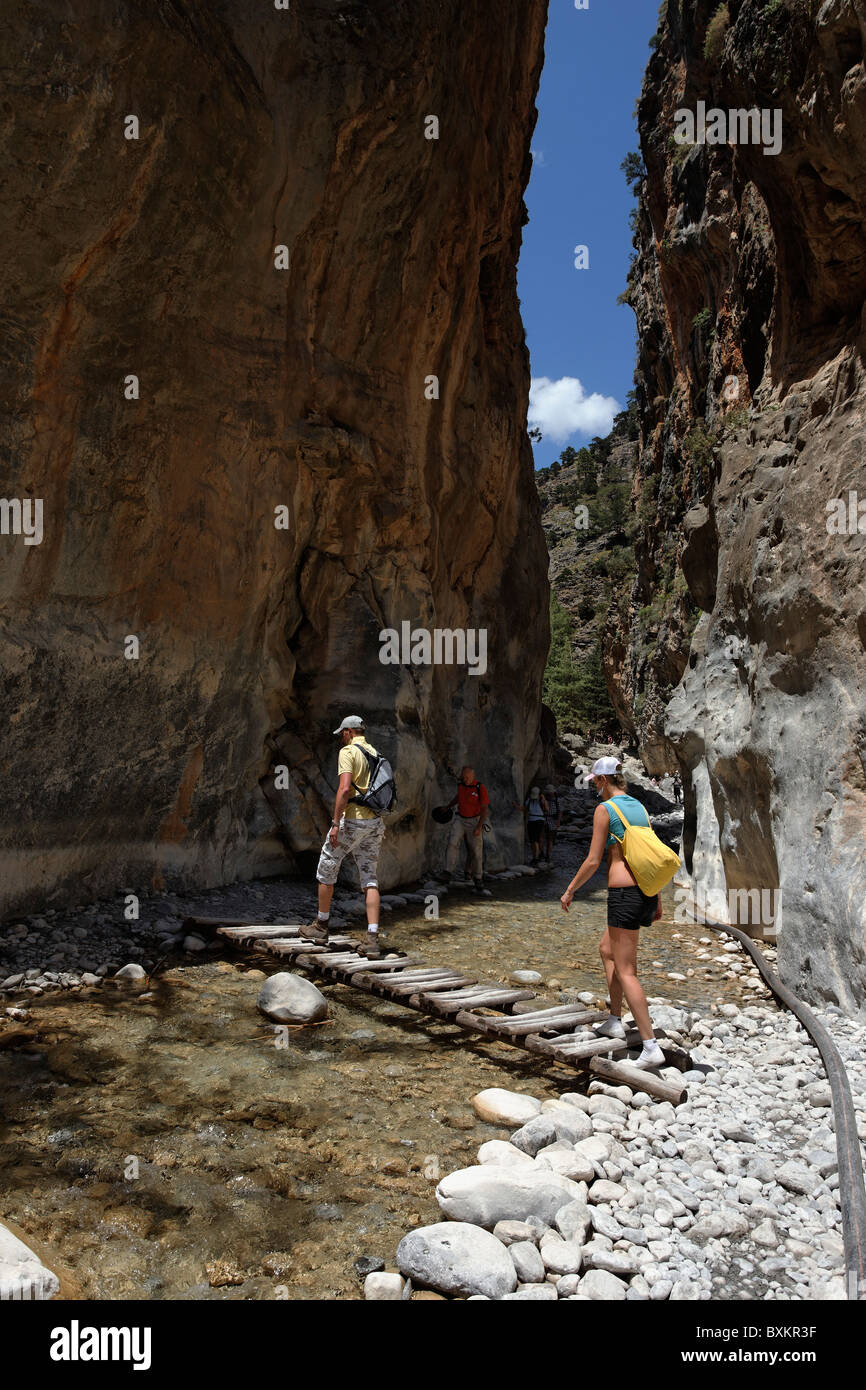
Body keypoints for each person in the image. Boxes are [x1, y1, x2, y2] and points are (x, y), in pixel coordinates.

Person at [559, 756, 665, 1069]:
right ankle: (615, 1019)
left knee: (627, 970)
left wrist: (570, 890)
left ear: (604, 780)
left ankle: (650, 1046)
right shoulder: (639, 807)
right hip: (644, 891)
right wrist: (657, 898)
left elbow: (593, 861)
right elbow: (649, 856)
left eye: (595, 780)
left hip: (624, 894)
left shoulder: (605, 810)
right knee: (606, 948)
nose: (593, 784)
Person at [312, 715, 386, 958]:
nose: (341, 737)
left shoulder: (348, 751)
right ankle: (373, 938)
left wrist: (335, 823)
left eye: (342, 733)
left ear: (349, 732)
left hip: (352, 820)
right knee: (370, 877)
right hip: (374, 822)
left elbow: (344, 789)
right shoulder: (375, 752)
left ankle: (321, 926)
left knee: (327, 866)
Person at [440, 766, 491, 894]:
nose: (465, 779)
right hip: (460, 819)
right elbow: (459, 797)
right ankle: (447, 872)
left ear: (473, 776)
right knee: (452, 843)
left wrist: (479, 827)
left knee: (476, 851)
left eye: (467, 777)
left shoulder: (479, 788)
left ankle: (478, 878)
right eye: (463, 777)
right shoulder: (461, 785)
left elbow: (485, 809)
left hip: (474, 821)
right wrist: (448, 806)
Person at [518, 785, 548, 866]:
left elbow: (547, 809)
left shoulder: (541, 800)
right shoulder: (529, 800)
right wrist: (516, 806)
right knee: (532, 840)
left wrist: (544, 800)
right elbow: (525, 809)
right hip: (531, 821)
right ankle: (535, 856)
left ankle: (536, 857)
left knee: (535, 840)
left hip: (539, 821)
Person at [542, 784, 561, 862]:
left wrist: (558, 822)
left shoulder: (557, 800)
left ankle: (547, 855)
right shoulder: (543, 799)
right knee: (542, 839)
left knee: (550, 840)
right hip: (543, 820)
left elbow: (560, 812)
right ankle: (542, 853)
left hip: (552, 822)